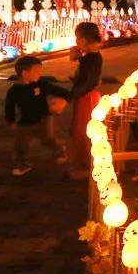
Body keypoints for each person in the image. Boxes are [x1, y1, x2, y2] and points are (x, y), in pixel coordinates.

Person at [45, 22, 103, 179]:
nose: (76, 42)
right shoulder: (91, 57)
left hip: (87, 97)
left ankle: (87, 167)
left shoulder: (92, 59)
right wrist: (79, 58)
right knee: (79, 130)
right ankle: (84, 164)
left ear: (84, 40)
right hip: (87, 96)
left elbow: (87, 83)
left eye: (77, 39)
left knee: (82, 133)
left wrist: (67, 99)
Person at [6, 55, 67, 176]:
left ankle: (60, 150)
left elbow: (62, 92)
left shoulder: (41, 84)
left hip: (44, 118)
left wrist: (63, 101)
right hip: (25, 121)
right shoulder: (14, 90)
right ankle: (23, 164)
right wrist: (11, 121)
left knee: (48, 139)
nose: (40, 74)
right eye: (36, 71)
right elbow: (9, 107)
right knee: (20, 144)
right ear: (24, 73)